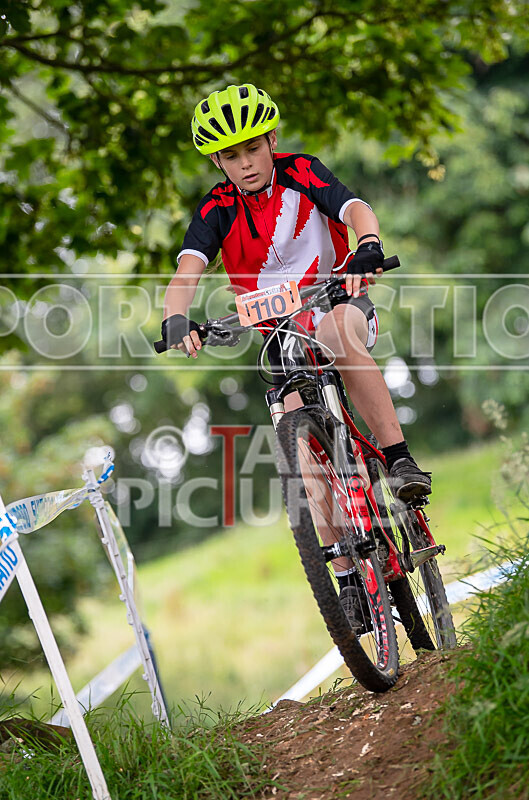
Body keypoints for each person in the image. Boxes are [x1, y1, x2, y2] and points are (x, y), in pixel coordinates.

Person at [161, 84, 431, 630]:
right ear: (217, 161)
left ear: (272, 141)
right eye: (231, 156)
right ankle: (348, 577)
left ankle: (399, 458)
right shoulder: (216, 208)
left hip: (339, 300)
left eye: (253, 149)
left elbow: (354, 207)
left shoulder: (302, 171)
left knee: (339, 335)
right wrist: (176, 318)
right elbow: (187, 269)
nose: (245, 164)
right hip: (280, 334)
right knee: (293, 436)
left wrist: (369, 242)